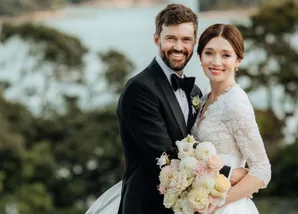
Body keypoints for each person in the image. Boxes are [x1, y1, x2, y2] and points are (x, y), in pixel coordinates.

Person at [85, 4, 247, 214]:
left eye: (186, 39)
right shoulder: (140, 89)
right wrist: (227, 174)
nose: (179, 47)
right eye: (171, 38)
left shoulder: (195, 92)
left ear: (194, 43)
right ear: (156, 39)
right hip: (146, 207)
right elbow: (165, 155)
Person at [191, 23, 272, 214]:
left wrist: (214, 204)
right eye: (209, 53)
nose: (216, 62)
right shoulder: (203, 99)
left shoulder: (236, 103)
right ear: (200, 56)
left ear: (238, 60)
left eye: (226, 55)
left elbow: (262, 170)